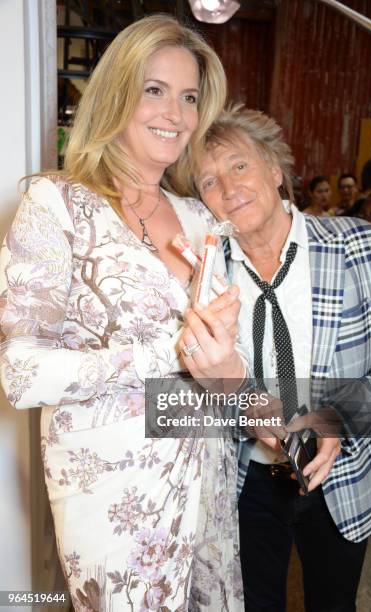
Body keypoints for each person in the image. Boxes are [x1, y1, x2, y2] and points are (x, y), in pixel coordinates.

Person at [0, 16, 247, 611]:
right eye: (154, 89)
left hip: (205, 479)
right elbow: (20, 373)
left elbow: (226, 381)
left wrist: (228, 372)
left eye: (189, 97)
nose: (176, 113)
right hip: (113, 495)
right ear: (116, 93)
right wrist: (172, 352)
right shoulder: (56, 204)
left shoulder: (201, 221)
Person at [176, 104, 371, 612]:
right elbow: (177, 399)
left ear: (275, 169)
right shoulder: (202, 280)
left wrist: (338, 415)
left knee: (334, 602)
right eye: (209, 181)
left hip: (344, 479)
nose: (228, 188)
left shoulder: (369, 249)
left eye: (239, 165)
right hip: (245, 480)